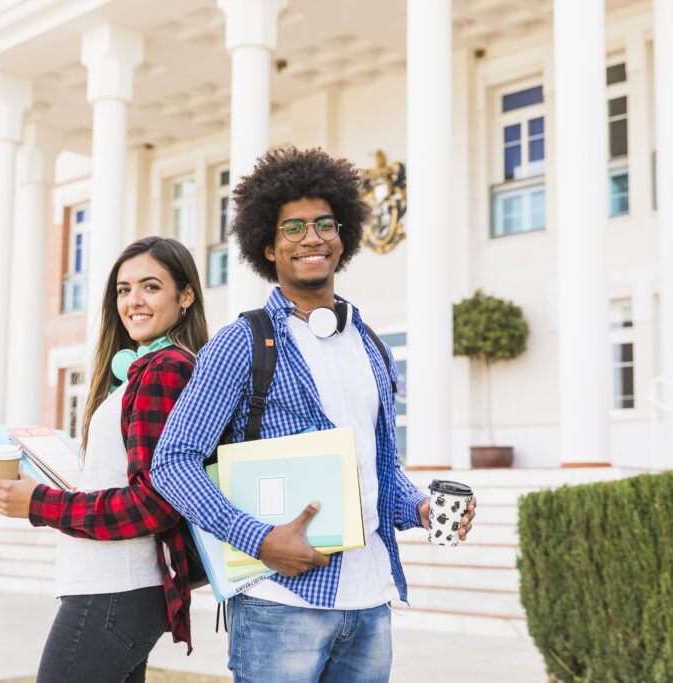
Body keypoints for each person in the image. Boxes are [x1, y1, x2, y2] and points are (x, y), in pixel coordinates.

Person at [151, 147, 476, 682]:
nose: (312, 237)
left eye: (325, 223)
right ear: (268, 247)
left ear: (343, 238)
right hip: (281, 604)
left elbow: (377, 467)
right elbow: (173, 461)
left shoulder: (370, 344)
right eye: (294, 227)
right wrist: (258, 539)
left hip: (371, 601)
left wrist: (421, 507)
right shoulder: (241, 343)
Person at [0, 236, 207, 683]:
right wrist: (39, 481)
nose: (133, 301)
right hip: (118, 587)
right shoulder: (145, 369)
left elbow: (154, 504)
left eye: (150, 286)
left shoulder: (164, 369)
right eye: (123, 290)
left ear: (185, 295)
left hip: (115, 588)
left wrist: (38, 503)